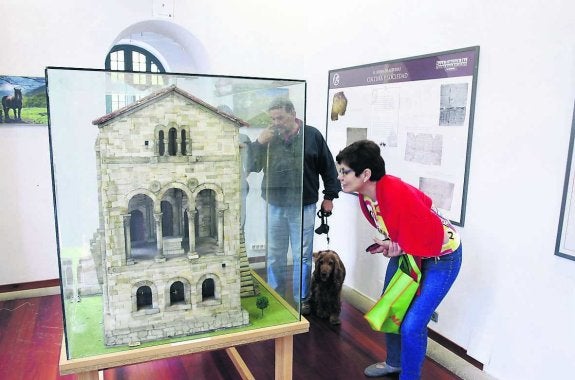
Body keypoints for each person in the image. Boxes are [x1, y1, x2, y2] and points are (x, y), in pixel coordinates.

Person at [335, 140, 462, 379]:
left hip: (442, 258)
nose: (340, 177)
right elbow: (399, 225)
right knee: (392, 307)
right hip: (412, 253)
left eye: (345, 172)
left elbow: (432, 233)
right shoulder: (367, 195)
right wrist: (393, 244)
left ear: (365, 174)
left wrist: (401, 247)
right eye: (340, 171)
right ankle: (394, 362)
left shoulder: (396, 193)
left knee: (412, 325)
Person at [247, 98, 341, 314]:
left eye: (279, 117)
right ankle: (275, 294)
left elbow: (328, 168)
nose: (276, 122)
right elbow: (251, 166)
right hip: (274, 205)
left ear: (293, 113)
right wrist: (259, 143)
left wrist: (329, 197)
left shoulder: (312, 135)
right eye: (272, 118)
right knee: (274, 254)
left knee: (303, 255)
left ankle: (303, 298)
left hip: (303, 205)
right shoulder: (269, 138)